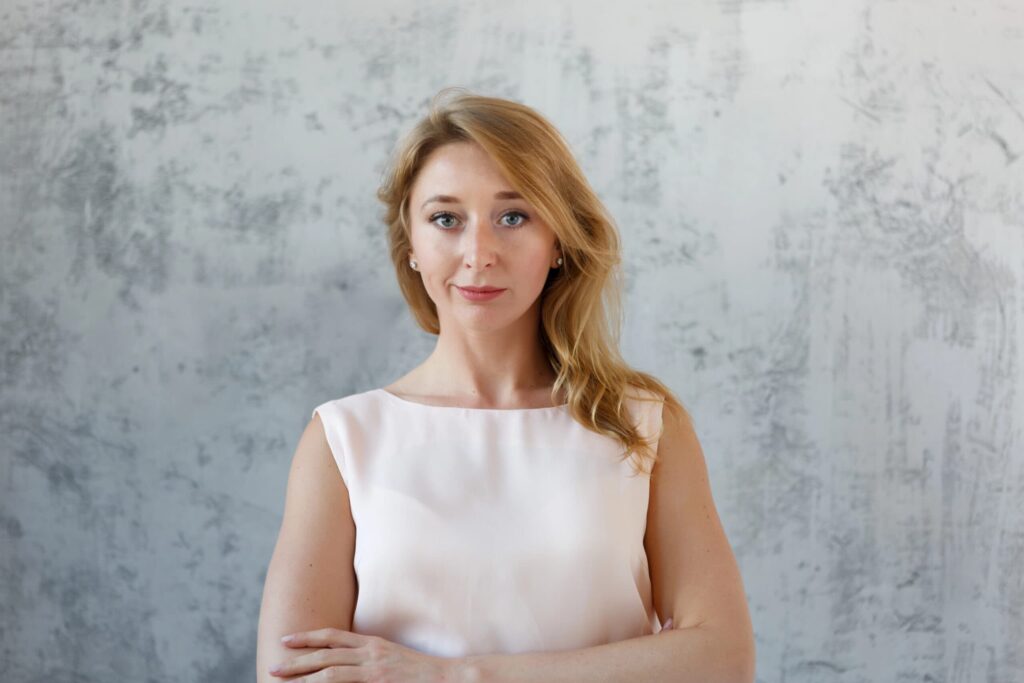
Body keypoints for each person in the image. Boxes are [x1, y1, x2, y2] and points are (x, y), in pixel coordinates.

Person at [255, 87, 755, 683]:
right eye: (446, 219)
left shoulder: (642, 425)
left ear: (559, 244)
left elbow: (723, 658)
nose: (478, 253)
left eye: (513, 217)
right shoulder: (343, 440)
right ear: (411, 245)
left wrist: (453, 676)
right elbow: (292, 676)